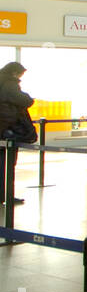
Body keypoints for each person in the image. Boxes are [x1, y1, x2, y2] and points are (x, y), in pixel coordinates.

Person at [0, 62, 35, 206]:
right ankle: (6, 196)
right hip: (7, 130)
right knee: (7, 165)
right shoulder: (9, 84)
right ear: (15, 73)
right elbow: (26, 101)